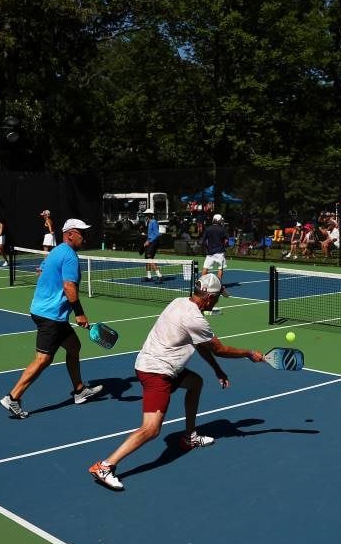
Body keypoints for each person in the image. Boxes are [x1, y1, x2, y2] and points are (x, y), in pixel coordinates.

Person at [88, 273, 264, 490]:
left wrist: (217, 370)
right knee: (151, 429)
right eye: (217, 297)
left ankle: (190, 437)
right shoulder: (196, 319)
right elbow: (219, 349)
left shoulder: (179, 302)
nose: (218, 300)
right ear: (209, 298)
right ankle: (105, 465)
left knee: (195, 383)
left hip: (153, 364)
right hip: (157, 372)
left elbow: (200, 345)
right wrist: (248, 353)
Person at [0, 219, 103, 418]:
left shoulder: (57, 251)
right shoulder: (70, 256)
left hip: (44, 311)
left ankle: (80, 391)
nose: (85, 236)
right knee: (43, 359)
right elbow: (69, 287)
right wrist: (79, 313)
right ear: (70, 234)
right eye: (82, 233)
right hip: (51, 316)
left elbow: (41, 270)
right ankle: (13, 397)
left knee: (74, 347)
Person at [201, 213, 229, 282]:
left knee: (205, 268)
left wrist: (208, 248)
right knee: (220, 268)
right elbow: (226, 241)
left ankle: (201, 283)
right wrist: (224, 245)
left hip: (210, 252)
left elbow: (203, 241)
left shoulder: (208, 229)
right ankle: (218, 284)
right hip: (220, 252)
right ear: (219, 220)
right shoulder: (222, 229)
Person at [141, 209, 162, 282]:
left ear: (150, 215)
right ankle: (149, 276)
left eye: (146, 214)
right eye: (145, 214)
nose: (145, 215)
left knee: (150, 258)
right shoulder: (149, 222)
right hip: (150, 242)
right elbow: (150, 234)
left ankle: (159, 276)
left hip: (154, 242)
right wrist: (147, 240)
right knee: (147, 258)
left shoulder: (154, 222)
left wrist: (149, 241)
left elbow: (156, 234)